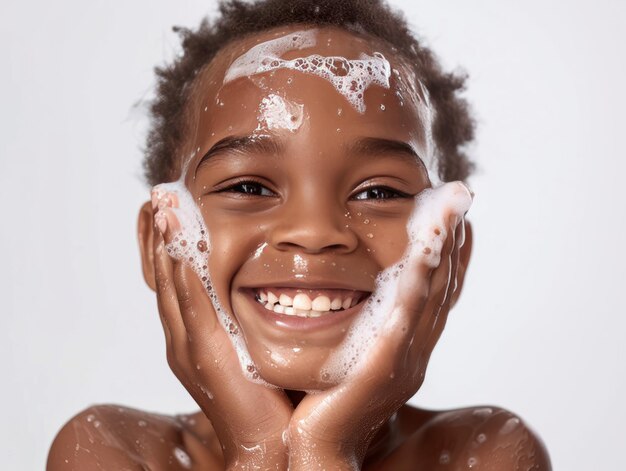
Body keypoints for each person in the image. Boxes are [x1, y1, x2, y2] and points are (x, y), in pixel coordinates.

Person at [47, 0, 551, 469]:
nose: (314, 233)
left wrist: (324, 450)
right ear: (159, 240)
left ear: (452, 255)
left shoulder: (481, 454)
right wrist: (257, 446)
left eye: (377, 193)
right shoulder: (110, 450)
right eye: (249, 186)